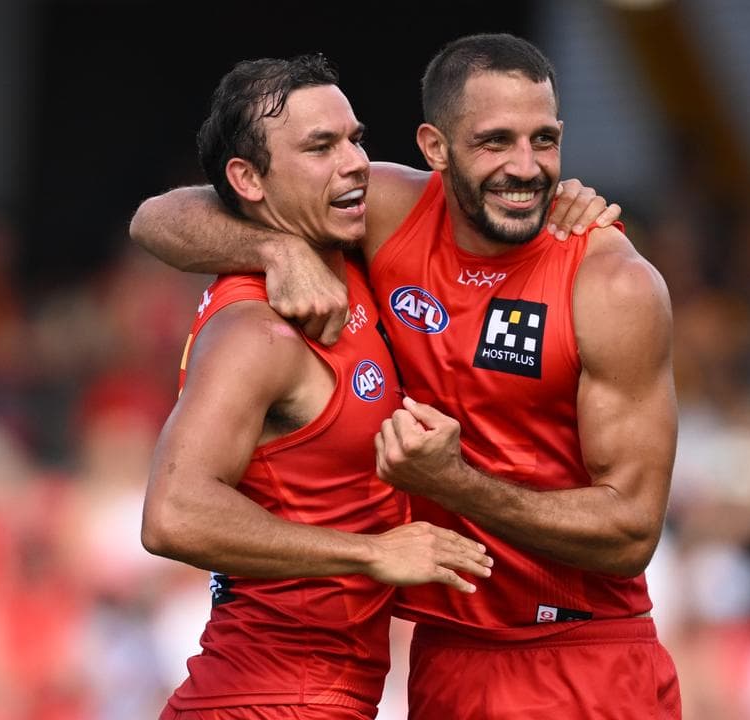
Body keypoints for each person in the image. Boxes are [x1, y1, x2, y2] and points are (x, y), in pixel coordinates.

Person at [133, 34, 680, 719]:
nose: (525, 167)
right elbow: (155, 218)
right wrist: (274, 249)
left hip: (579, 656)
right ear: (435, 148)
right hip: (441, 657)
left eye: (543, 140)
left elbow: (632, 533)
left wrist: (451, 483)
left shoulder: (610, 283)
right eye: (495, 141)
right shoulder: (382, 216)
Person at [139, 54, 497, 720]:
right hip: (268, 697)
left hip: (314, 696)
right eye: (320, 147)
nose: (356, 163)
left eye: (356, 139)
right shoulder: (257, 332)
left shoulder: (349, 256)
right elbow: (173, 514)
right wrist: (372, 554)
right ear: (248, 179)